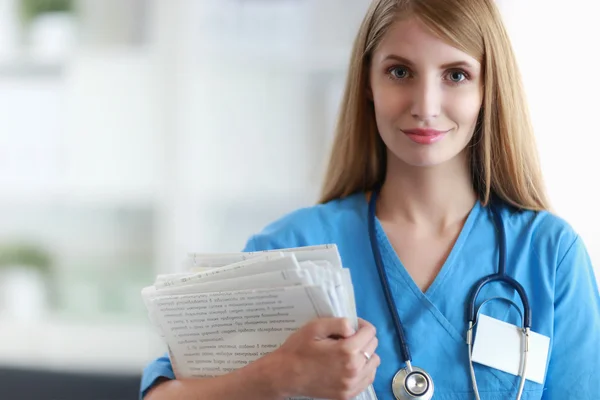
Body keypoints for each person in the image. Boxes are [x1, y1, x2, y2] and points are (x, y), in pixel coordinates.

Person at [140, 0, 600, 399]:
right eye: (400, 72)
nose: (425, 104)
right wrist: (280, 375)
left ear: (487, 89)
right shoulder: (290, 247)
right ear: (367, 83)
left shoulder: (549, 256)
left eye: (456, 75)